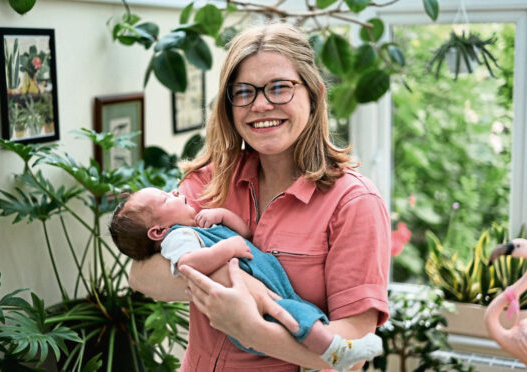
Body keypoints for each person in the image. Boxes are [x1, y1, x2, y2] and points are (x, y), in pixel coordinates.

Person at [128, 22, 391, 372]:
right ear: (229, 104)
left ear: (312, 94)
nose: (261, 105)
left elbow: (353, 348)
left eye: (280, 88)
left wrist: (251, 329)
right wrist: (236, 281)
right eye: (244, 92)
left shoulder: (354, 203)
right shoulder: (209, 179)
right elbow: (142, 274)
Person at [110, 187, 383, 371]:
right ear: (157, 232)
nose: (177, 191)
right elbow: (187, 265)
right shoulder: (177, 238)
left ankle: (336, 349)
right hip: (244, 308)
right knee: (295, 316)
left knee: (296, 313)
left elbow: (244, 235)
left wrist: (223, 216)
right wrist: (227, 255)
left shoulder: (193, 226)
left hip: (264, 286)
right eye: (166, 198)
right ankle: (336, 352)